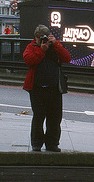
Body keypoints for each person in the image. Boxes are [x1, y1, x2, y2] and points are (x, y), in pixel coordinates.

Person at [23, 24, 71, 152]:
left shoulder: (55, 46)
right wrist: (41, 50)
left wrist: (55, 44)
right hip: (37, 88)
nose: (42, 40)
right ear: (35, 38)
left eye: (44, 37)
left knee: (55, 117)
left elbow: (67, 58)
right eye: (39, 38)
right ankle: (36, 143)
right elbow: (29, 60)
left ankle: (52, 143)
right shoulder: (31, 47)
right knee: (38, 116)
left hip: (54, 88)